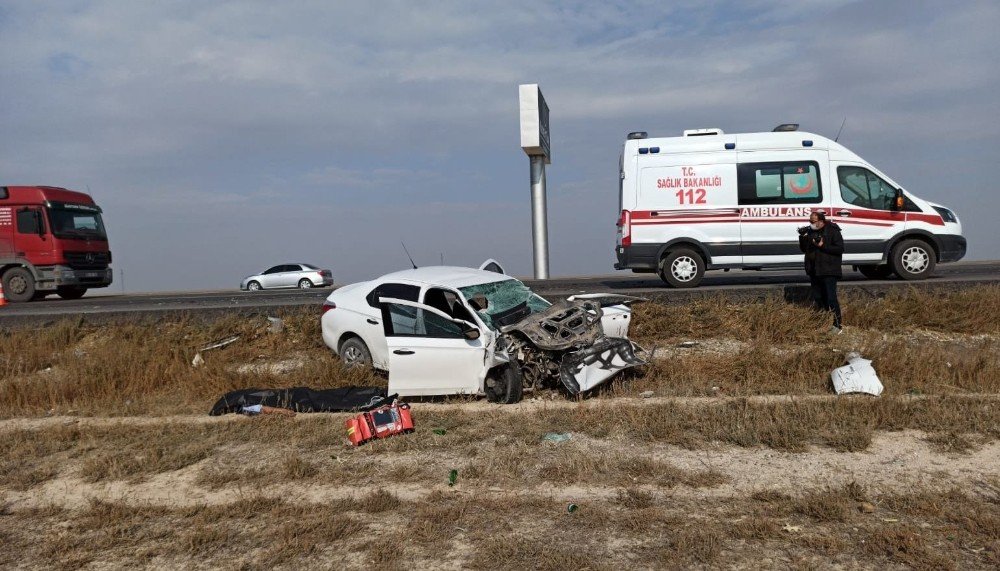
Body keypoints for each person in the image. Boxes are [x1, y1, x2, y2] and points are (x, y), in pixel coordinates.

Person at [798, 210, 845, 333]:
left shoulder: (832, 231)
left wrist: (822, 246)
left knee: (831, 298)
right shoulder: (810, 231)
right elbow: (804, 249)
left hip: (829, 270)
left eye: (813, 221)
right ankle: (823, 321)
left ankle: (837, 325)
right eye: (809, 221)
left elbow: (840, 249)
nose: (811, 223)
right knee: (818, 297)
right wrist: (802, 237)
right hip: (814, 270)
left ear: (821, 221)